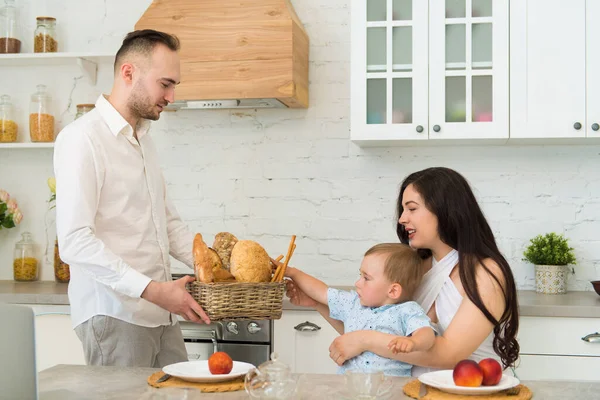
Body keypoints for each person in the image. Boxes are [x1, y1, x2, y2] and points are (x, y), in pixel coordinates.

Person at [54, 29, 211, 368]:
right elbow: (74, 241)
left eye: (174, 87)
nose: (170, 96)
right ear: (129, 73)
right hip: (115, 315)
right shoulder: (82, 139)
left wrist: (221, 266)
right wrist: (155, 290)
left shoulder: (143, 140)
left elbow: (167, 225)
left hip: (161, 316)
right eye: (165, 83)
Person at [286, 167, 519, 376]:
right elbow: (375, 325)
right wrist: (318, 305)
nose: (402, 218)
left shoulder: (486, 272)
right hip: (414, 390)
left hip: (469, 391)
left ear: (445, 209)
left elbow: (450, 353)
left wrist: (364, 340)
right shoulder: (419, 267)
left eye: (412, 209)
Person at [279, 243, 435, 376]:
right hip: (349, 390)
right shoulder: (353, 303)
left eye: (366, 278)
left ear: (393, 291)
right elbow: (322, 292)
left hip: (390, 392)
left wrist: (413, 342)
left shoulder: (407, 311)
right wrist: (292, 272)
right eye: (360, 275)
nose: (358, 283)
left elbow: (426, 334)